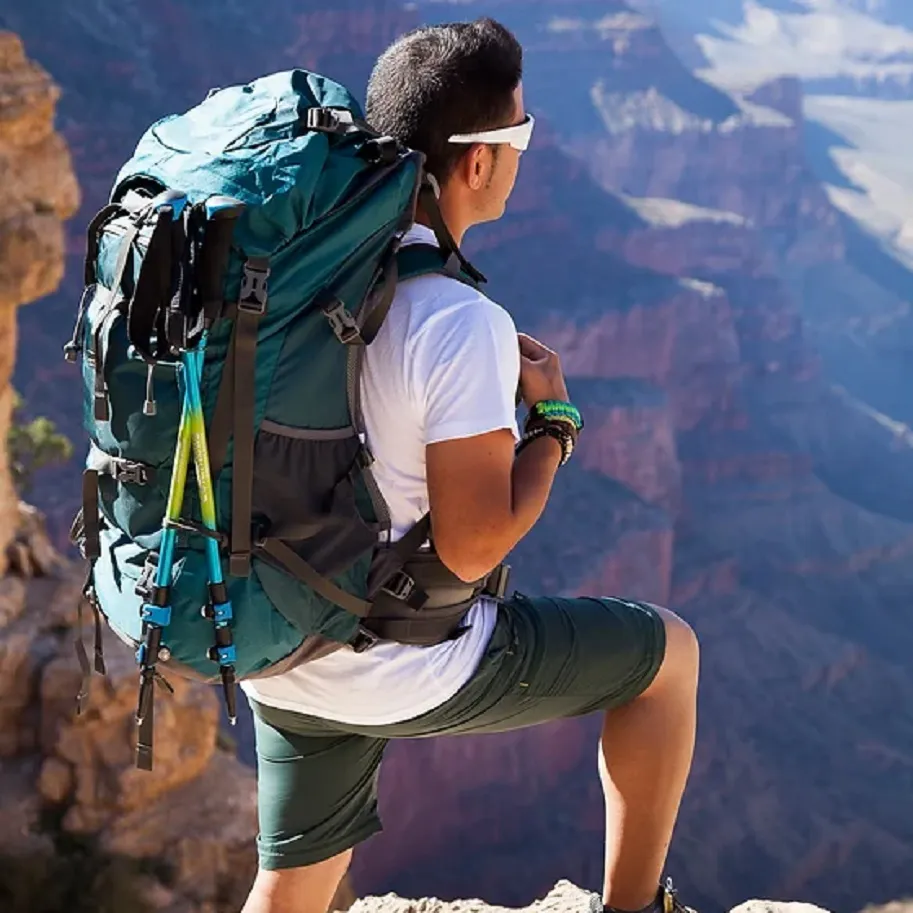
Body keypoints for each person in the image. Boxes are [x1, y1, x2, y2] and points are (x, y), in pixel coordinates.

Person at [239, 16, 700, 913]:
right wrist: (555, 425)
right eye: (518, 134)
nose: (525, 152)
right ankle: (632, 908)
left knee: (290, 882)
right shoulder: (456, 321)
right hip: (389, 661)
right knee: (670, 658)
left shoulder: (302, 281)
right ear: (477, 161)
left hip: (280, 640)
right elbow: (473, 546)